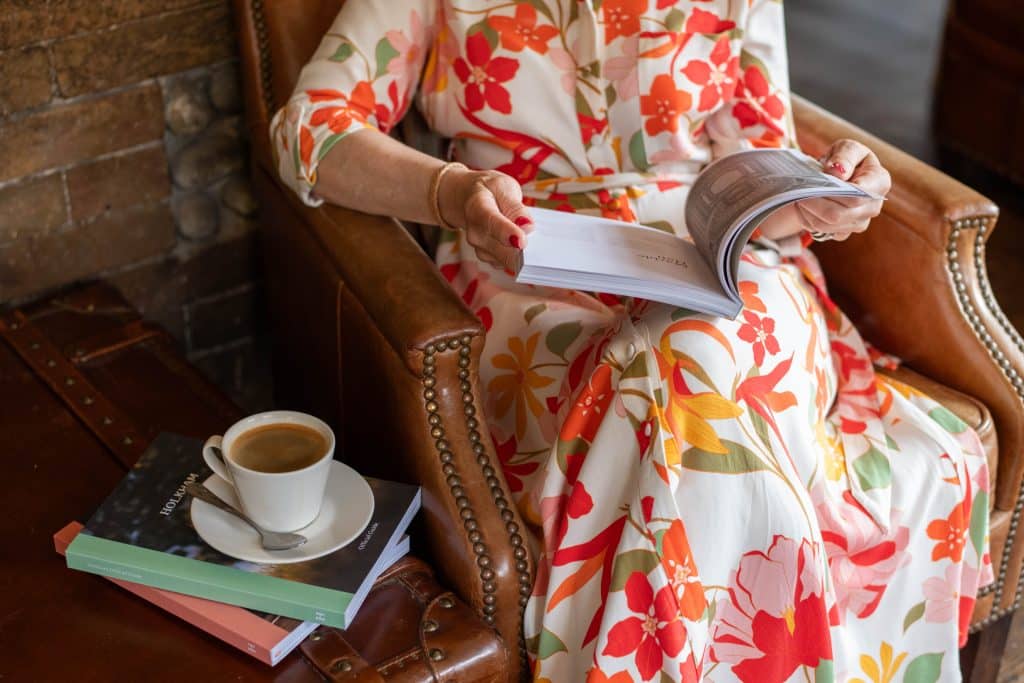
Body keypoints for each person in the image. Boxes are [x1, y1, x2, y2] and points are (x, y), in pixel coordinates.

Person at [271, 1, 992, 680]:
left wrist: (819, 197)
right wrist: (451, 193)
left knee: (694, 353)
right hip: (525, 265)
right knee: (677, 373)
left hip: (726, 266)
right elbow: (310, 130)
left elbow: (758, 157)